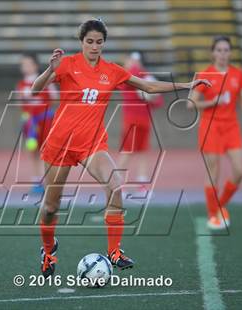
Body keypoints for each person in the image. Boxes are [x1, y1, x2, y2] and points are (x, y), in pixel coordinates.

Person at [32, 19, 211, 277]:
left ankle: (114, 252)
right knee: (50, 207)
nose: (94, 46)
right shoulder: (67, 64)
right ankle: (48, 251)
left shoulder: (112, 70)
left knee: (115, 187)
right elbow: (37, 90)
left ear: (104, 43)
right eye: (89, 41)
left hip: (92, 143)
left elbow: (148, 86)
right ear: (81, 42)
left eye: (99, 42)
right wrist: (49, 70)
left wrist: (186, 85)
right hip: (60, 144)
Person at [188, 35, 242, 230]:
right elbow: (191, 103)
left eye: (226, 50)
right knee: (214, 172)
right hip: (210, 127)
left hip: (232, 127)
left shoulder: (237, 74)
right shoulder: (205, 75)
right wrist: (213, 102)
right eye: (219, 50)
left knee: (240, 171)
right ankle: (213, 214)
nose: (223, 54)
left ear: (230, 53)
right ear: (213, 53)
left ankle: (220, 204)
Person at [118, 52, 164, 194]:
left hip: (143, 120)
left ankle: (141, 186)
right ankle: (117, 185)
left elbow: (158, 101)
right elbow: (131, 75)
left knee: (142, 152)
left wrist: (151, 96)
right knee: (128, 152)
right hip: (132, 120)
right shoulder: (131, 76)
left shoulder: (140, 75)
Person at [16, 54, 57, 193]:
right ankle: (37, 180)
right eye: (23, 64)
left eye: (28, 64)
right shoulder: (21, 85)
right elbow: (20, 103)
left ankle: (49, 181)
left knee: (47, 152)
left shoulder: (45, 81)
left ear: (35, 65)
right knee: (32, 151)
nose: (25, 67)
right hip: (30, 124)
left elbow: (55, 98)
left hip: (45, 121)